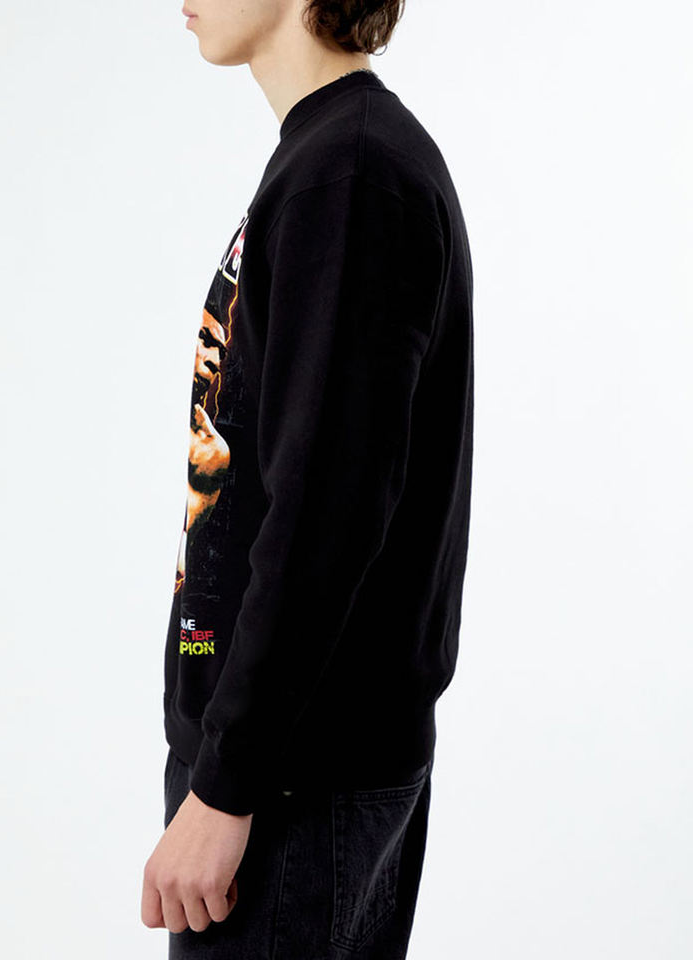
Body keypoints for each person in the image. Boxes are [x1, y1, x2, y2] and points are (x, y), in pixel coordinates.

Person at [141, 2, 474, 957]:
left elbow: (327, 513)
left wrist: (227, 784)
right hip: (286, 771)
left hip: (291, 784)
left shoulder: (352, 176)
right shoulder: (333, 161)